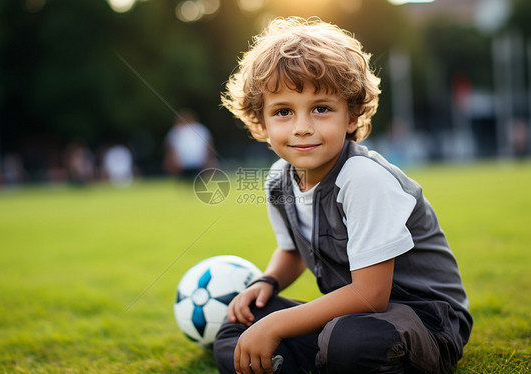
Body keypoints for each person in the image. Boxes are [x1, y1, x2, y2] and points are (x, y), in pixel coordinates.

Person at [213, 17, 472, 374]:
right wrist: (267, 281)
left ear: (351, 116)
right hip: (353, 314)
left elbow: (370, 294)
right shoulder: (279, 180)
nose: (302, 127)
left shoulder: (362, 177)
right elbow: (292, 250)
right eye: (283, 112)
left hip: (424, 321)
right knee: (238, 325)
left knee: (347, 341)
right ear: (262, 122)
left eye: (321, 108)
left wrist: (275, 326)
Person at [163, 109, 217, 179]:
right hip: (182, 164)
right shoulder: (176, 131)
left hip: (199, 162)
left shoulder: (200, 129)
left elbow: (208, 146)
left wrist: (209, 160)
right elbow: (171, 148)